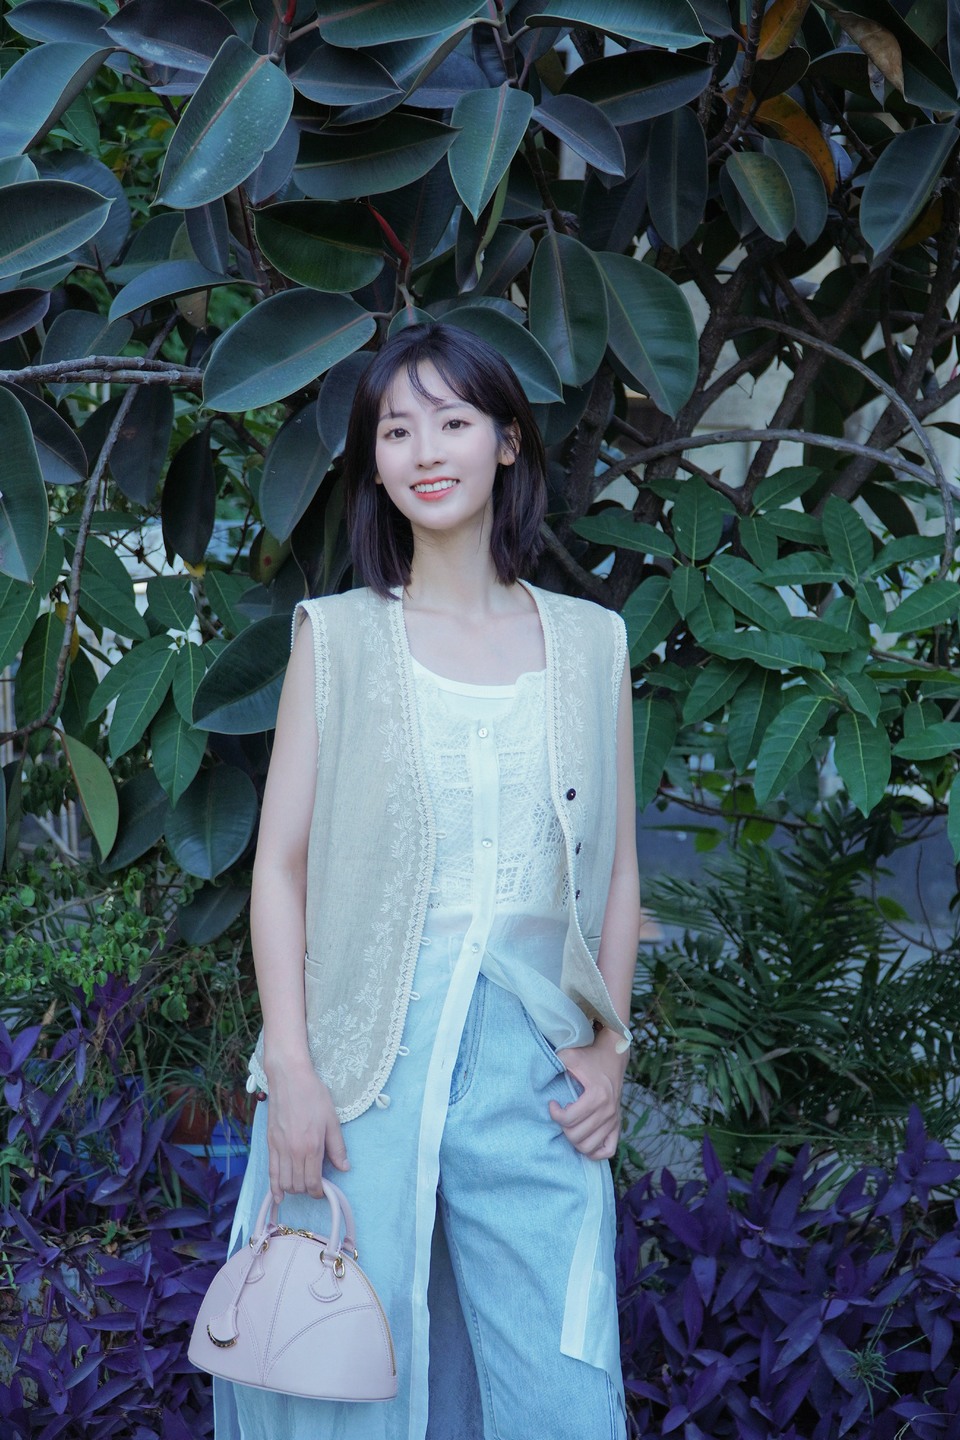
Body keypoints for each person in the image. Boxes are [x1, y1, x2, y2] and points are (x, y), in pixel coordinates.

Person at [214, 322, 641, 1440]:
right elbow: (280, 867)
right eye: (397, 430)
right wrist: (292, 1068)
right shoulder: (338, 639)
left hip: (533, 1064)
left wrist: (612, 1046)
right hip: (362, 1066)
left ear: (508, 441)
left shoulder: (592, 644)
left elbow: (618, 872)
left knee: (561, 1389)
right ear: (375, 462)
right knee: (339, 1374)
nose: (425, 451)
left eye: (453, 421)